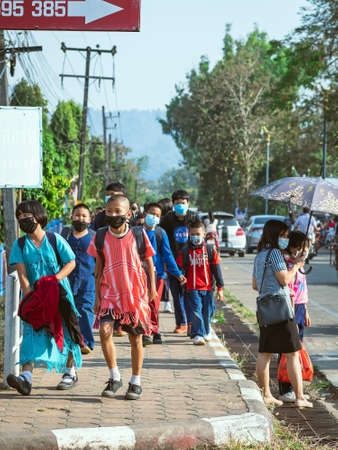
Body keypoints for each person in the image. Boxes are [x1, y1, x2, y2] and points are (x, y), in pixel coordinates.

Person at [7, 200, 82, 395]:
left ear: (38, 217)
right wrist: (31, 296)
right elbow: (22, 275)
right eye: (20, 217)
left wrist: (54, 279)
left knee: (67, 331)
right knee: (31, 334)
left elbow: (71, 262)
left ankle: (69, 372)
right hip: (35, 298)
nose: (23, 220)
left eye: (27, 216)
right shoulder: (20, 244)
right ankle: (26, 378)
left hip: (60, 294)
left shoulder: (55, 239)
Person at [87, 195, 157, 400]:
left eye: (118, 212)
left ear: (128, 214)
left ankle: (136, 381)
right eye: (109, 212)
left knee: (135, 338)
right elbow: (98, 269)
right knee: (104, 331)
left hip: (134, 295)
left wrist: (152, 288)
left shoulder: (138, 234)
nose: (113, 215)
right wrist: (97, 297)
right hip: (110, 293)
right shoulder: (100, 237)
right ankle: (114, 376)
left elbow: (150, 263)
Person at [252, 219, 312, 408]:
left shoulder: (260, 255)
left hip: (265, 308)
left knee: (265, 352)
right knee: (293, 353)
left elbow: (255, 285)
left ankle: (266, 395)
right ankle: (300, 397)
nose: (286, 239)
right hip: (281, 308)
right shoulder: (276, 254)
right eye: (284, 235)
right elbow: (285, 279)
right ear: (276, 236)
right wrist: (296, 265)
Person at [142, 202, 186, 346]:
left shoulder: (161, 233)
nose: (153, 217)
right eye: (151, 213)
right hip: (139, 274)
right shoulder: (135, 232)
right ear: (145, 214)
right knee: (143, 303)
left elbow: (168, 255)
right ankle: (149, 330)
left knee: (153, 303)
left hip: (158, 274)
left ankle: (153, 330)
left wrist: (178, 273)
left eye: (157, 215)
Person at [177, 220, 224, 345]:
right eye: (192, 234)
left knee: (208, 311)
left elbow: (216, 270)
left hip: (208, 288)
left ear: (204, 234)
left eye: (198, 233)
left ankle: (206, 331)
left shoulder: (210, 250)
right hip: (192, 288)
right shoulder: (185, 251)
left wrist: (220, 288)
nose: (195, 237)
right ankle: (198, 334)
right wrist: (180, 276)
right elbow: (179, 268)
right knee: (196, 310)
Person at [279, 231, 311, 402]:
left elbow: (302, 288)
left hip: (299, 308)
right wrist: (291, 312)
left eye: (305, 248)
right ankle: (286, 388)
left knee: (297, 349)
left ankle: (296, 386)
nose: (303, 251)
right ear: (293, 246)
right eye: (301, 247)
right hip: (289, 308)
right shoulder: (286, 262)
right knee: (288, 350)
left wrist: (305, 309)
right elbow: (288, 287)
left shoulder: (300, 263)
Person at [160, 189, 198, 334]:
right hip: (173, 262)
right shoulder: (167, 219)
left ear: (188, 203)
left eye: (183, 203)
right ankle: (180, 323)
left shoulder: (194, 218)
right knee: (176, 295)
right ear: (173, 204)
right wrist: (165, 261)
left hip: (191, 262)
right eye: (177, 203)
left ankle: (191, 322)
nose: (180, 205)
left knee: (191, 294)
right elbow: (162, 240)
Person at [62, 203, 95, 354]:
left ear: (90, 219)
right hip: (67, 281)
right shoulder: (65, 236)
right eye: (77, 215)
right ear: (71, 217)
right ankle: (69, 341)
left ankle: (86, 342)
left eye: (84, 216)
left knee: (85, 311)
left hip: (88, 283)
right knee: (68, 312)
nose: (80, 218)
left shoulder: (94, 237)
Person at [158, 198, 174, 313]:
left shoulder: (164, 221)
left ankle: (166, 301)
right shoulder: (166, 220)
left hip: (165, 253)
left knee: (166, 278)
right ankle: (166, 302)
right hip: (165, 253)